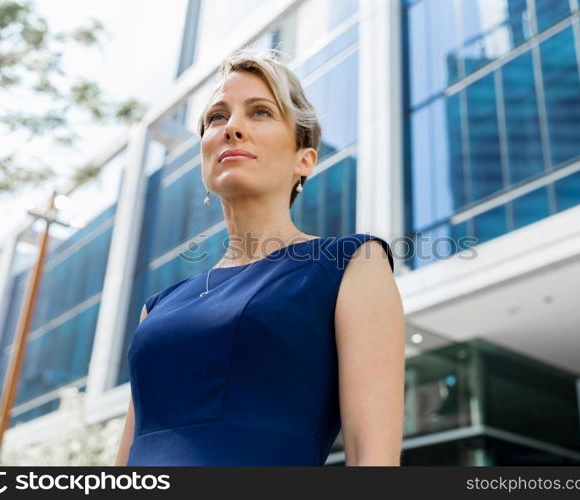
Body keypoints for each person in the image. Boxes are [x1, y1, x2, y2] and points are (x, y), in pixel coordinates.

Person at [114, 48, 405, 466]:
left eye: (261, 112)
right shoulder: (157, 308)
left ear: (303, 160)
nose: (232, 127)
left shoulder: (350, 265)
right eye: (217, 117)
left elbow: (372, 460)